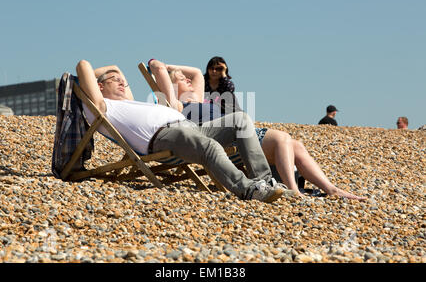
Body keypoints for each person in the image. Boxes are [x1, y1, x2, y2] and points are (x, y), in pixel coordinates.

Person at [148, 58, 366, 200]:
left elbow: (196, 72)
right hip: (228, 139)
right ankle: (293, 191)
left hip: (241, 131)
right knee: (282, 139)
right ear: (173, 87)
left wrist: (173, 67)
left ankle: (331, 189)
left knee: (295, 144)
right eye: (182, 80)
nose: (188, 80)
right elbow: (157, 68)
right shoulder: (175, 105)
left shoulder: (198, 98)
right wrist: (160, 67)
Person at [75, 59, 289, 203]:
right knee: (210, 147)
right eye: (115, 81)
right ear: (99, 87)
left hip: (190, 129)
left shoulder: (129, 101)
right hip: (163, 138)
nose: (122, 83)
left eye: (124, 82)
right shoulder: (101, 107)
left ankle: (264, 181)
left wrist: (114, 74)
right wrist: (86, 82)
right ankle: (248, 190)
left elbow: (116, 68)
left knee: (241, 120)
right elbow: (83, 65)